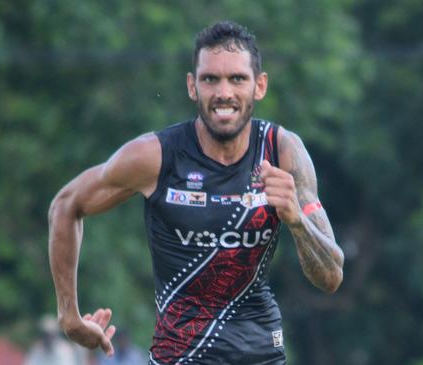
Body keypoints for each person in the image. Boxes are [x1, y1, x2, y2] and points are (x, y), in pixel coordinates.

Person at [48, 20, 344, 365]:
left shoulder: (283, 151)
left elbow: (331, 276)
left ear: (259, 86)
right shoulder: (156, 156)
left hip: (261, 352)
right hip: (181, 355)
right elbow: (66, 205)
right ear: (192, 86)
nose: (224, 93)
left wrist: (296, 220)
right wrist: (69, 316)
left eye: (237, 79)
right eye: (210, 79)